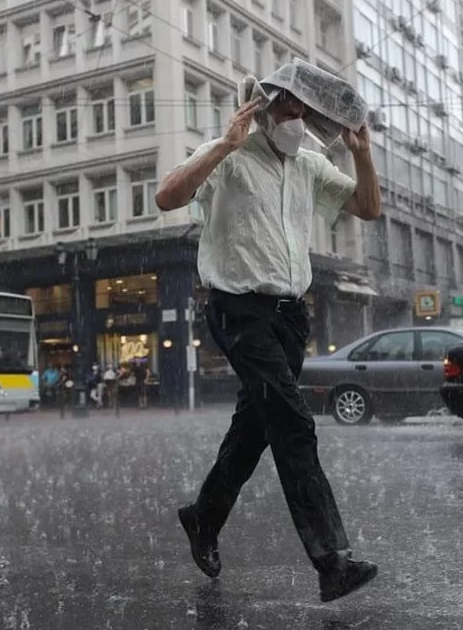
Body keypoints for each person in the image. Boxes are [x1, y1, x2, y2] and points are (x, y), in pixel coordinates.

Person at [155, 76, 381, 603]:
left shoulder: (308, 165)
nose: (297, 121)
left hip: (290, 316)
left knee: (254, 428)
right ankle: (331, 560)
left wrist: (363, 156)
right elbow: (168, 195)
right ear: (263, 110)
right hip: (237, 308)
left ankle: (204, 517)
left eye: (304, 112)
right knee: (293, 420)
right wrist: (222, 146)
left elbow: (368, 208)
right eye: (288, 109)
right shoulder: (228, 152)